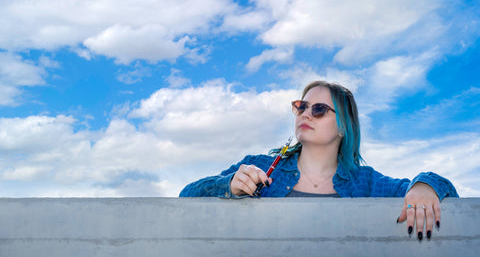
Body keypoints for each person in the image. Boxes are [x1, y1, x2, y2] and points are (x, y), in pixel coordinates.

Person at [179, 80, 458, 241]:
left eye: (320, 109)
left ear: (343, 127)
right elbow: (186, 196)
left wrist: (423, 187)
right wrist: (229, 185)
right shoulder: (259, 166)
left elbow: (443, 189)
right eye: (301, 106)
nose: (306, 114)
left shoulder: (367, 181)